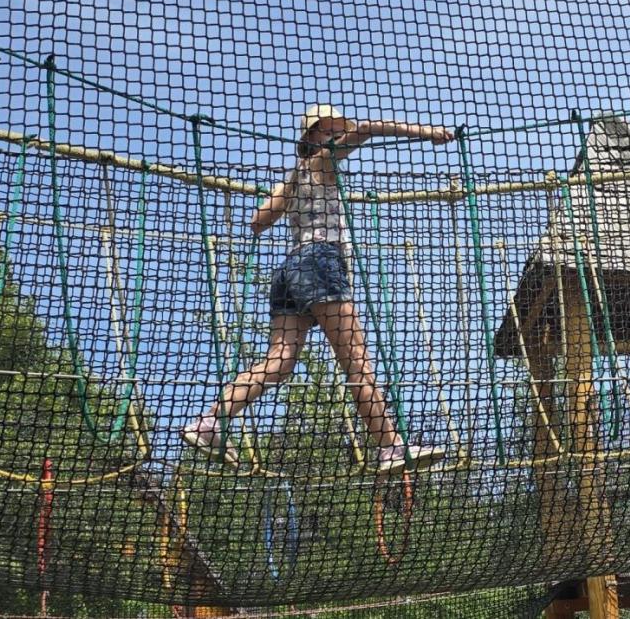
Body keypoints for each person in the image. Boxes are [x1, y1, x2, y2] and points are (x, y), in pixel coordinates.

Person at [182, 104, 450, 475]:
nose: (336, 135)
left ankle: (211, 422)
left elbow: (258, 222)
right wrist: (429, 132)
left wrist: (290, 189)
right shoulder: (323, 163)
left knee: (279, 362)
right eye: (328, 130)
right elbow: (369, 128)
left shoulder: (292, 178)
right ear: (311, 136)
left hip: (289, 271)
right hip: (320, 262)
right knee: (356, 360)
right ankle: (390, 446)